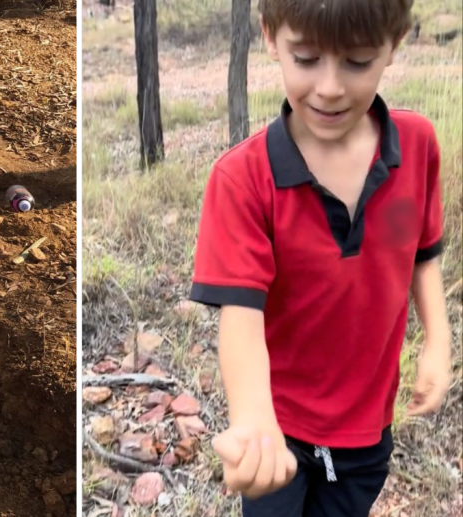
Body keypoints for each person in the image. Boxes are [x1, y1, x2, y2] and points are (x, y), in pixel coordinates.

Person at [188, 1, 451, 516]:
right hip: (278, 431)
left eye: (356, 62)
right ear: (270, 37)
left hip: (367, 432)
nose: (329, 87)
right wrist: (253, 417)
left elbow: (421, 253)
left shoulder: (416, 147)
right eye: (306, 58)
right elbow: (241, 316)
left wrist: (438, 341)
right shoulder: (243, 180)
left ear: (393, 46)